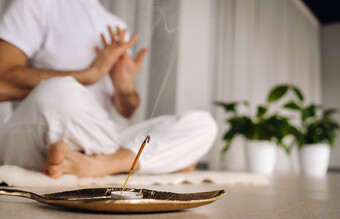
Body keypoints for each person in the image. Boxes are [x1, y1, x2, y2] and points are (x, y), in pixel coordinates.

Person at [0, 0, 217, 179]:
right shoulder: (35, 5)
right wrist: (89, 74)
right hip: (37, 136)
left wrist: (125, 88)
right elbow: (3, 80)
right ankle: (147, 163)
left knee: (203, 124)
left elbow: (127, 110)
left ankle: (102, 165)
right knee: (59, 91)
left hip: (99, 135)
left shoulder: (115, 24)